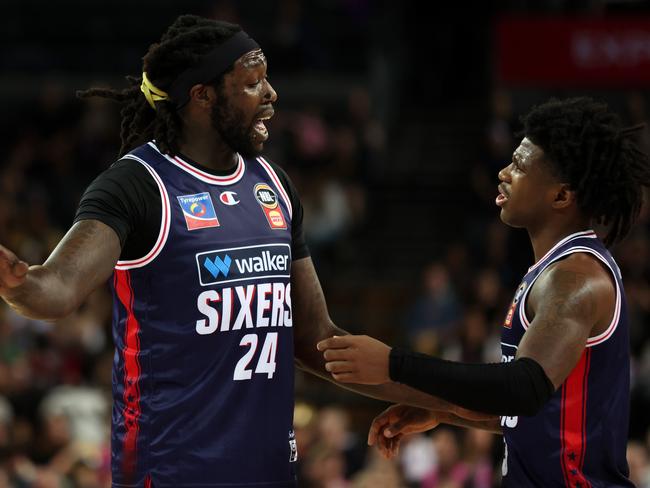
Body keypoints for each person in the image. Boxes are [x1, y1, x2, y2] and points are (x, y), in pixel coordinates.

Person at [0, 15, 481, 487]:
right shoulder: (139, 185)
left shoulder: (272, 184)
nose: (271, 95)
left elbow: (316, 340)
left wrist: (445, 402)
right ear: (202, 96)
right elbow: (54, 290)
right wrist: (20, 283)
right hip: (172, 472)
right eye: (253, 83)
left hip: (269, 470)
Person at [318, 97, 650, 486]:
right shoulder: (555, 268)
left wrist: (393, 363)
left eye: (521, 166)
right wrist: (445, 410)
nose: (504, 173)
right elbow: (537, 414)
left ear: (562, 196)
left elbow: (524, 389)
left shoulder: (575, 278)